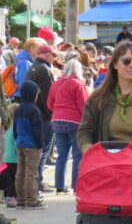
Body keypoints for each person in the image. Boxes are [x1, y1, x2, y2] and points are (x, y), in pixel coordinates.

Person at [47, 58, 88, 193]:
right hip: (74, 121)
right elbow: (83, 105)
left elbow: (49, 104)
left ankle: (59, 185)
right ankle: (76, 186)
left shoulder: (56, 84)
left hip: (57, 120)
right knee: (77, 155)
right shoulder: (78, 84)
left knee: (62, 155)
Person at [26, 42, 56, 191]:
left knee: (35, 151)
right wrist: (51, 114)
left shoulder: (32, 67)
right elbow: (48, 95)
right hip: (43, 115)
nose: (53, 58)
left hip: (32, 112)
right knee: (42, 151)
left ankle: (34, 182)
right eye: (52, 55)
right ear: (46, 55)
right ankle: (38, 181)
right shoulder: (44, 70)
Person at [13, 80, 45, 209]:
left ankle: (20, 199)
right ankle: (31, 200)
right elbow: (37, 130)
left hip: (20, 143)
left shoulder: (19, 109)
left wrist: (17, 140)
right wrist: (40, 144)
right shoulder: (34, 110)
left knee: (20, 172)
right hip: (32, 145)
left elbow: (15, 128)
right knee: (31, 173)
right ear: (33, 94)